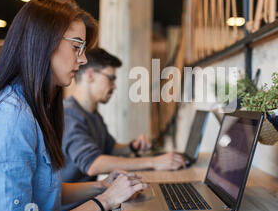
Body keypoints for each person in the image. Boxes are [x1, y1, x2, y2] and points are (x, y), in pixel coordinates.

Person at [0, 0, 148, 211]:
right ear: (43, 44)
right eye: (76, 46)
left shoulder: (34, 107)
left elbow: (41, 191)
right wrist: (106, 200)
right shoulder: (11, 117)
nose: (83, 58)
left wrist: (103, 186)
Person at [62, 47, 186, 192]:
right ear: (90, 75)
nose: (114, 86)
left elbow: (110, 149)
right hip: (74, 208)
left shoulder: (92, 114)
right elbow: (93, 164)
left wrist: (131, 146)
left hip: (91, 199)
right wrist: (154, 162)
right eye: (111, 78)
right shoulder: (69, 115)